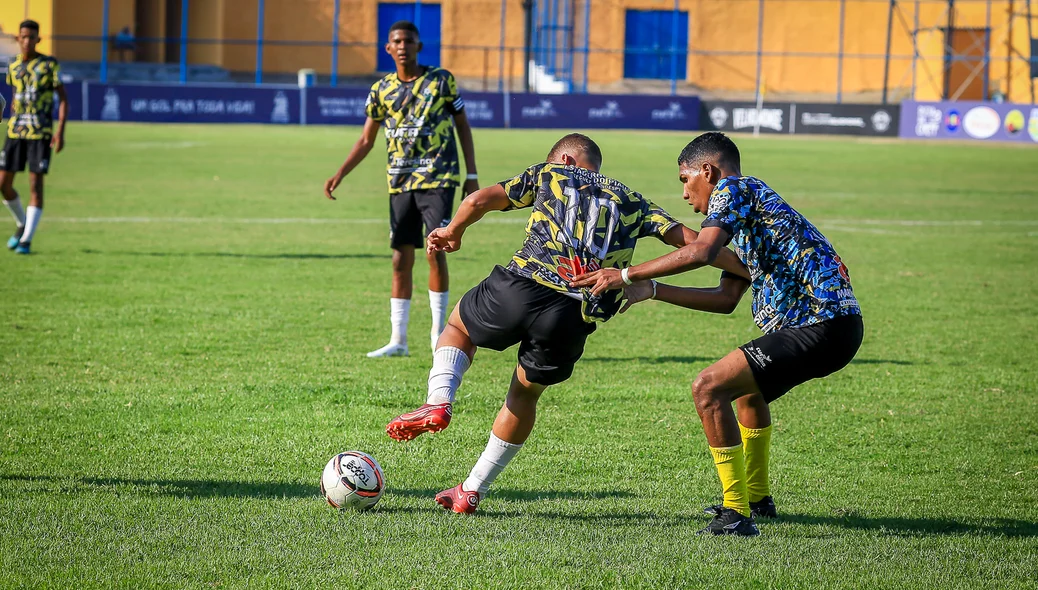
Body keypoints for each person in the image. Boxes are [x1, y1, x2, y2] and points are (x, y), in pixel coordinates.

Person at [383, 133, 750, 514]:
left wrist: (452, 231)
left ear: (566, 160)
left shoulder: (551, 173)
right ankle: (472, 489)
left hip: (521, 286)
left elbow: (479, 200)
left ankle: (439, 402)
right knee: (524, 396)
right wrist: (746, 268)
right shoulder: (633, 200)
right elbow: (692, 242)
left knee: (457, 328)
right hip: (574, 316)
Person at [571, 132, 864, 536]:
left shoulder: (734, 189)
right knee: (747, 393)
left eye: (684, 180)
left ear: (707, 171)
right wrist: (652, 290)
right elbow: (727, 297)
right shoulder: (747, 215)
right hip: (837, 328)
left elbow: (701, 252)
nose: (686, 195)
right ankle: (757, 498)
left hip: (819, 323)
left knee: (707, 387)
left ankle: (736, 513)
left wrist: (624, 274)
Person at [323, 20, 479, 357]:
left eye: (409, 40)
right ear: (388, 48)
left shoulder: (441, 81)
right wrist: (341, 173)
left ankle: (439, 336)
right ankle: (398, 340)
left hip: (438, 179)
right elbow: (367, 138)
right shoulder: (381, 90)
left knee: (435, 251)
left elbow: (462, 126)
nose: (404, 45)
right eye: (397, 41)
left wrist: (472, 173)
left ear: (419, 46)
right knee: (399, 259)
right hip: (399, 182)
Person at [2, 19, 67, 255]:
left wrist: (60, 131)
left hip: (40, 132)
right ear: (18, 39)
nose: (27, 41)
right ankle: (22, 224)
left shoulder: (48, 65)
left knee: (35, 186)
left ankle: (26, 241)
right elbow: (14, 97)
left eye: (32, 37)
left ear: (38, 39)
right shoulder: (13, 66)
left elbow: (63, 99)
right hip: (15, 132)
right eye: (23, 36)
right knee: (3, 184)